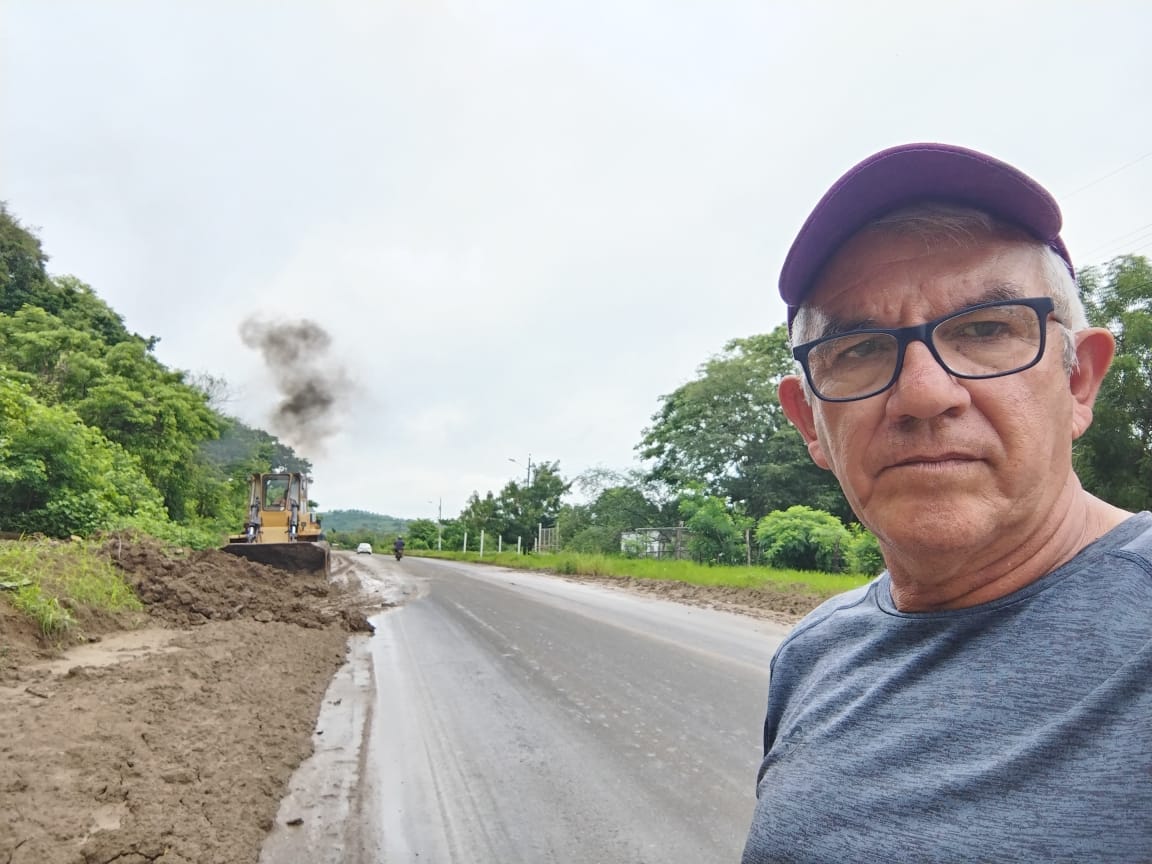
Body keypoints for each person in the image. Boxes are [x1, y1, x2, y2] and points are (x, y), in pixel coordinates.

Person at [741, 143, 1151, 862]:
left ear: (1079, 380)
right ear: (810, 423)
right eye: (859, 348)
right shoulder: (812, 654)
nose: (924, 394)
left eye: (986, 329)